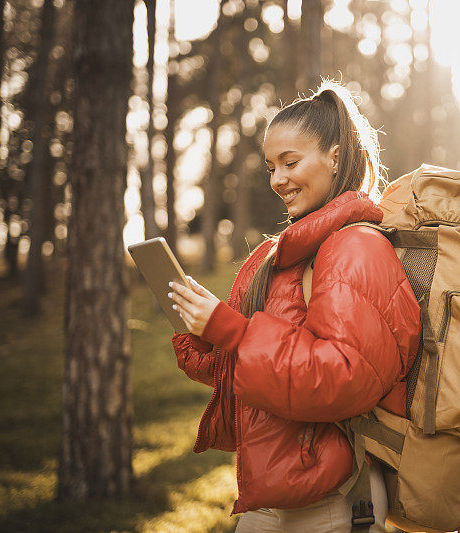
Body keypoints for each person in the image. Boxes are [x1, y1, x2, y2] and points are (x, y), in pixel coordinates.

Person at [167, 79, 422, 533]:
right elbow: (249, 376)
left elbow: (344, 377)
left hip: (335, 501)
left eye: (290, 162)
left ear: (336, 157)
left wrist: (233, 331)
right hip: (276, 497)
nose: (277, 179)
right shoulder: (286, 255)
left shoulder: (354, 250)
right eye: (270, 167)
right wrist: (203, 331)